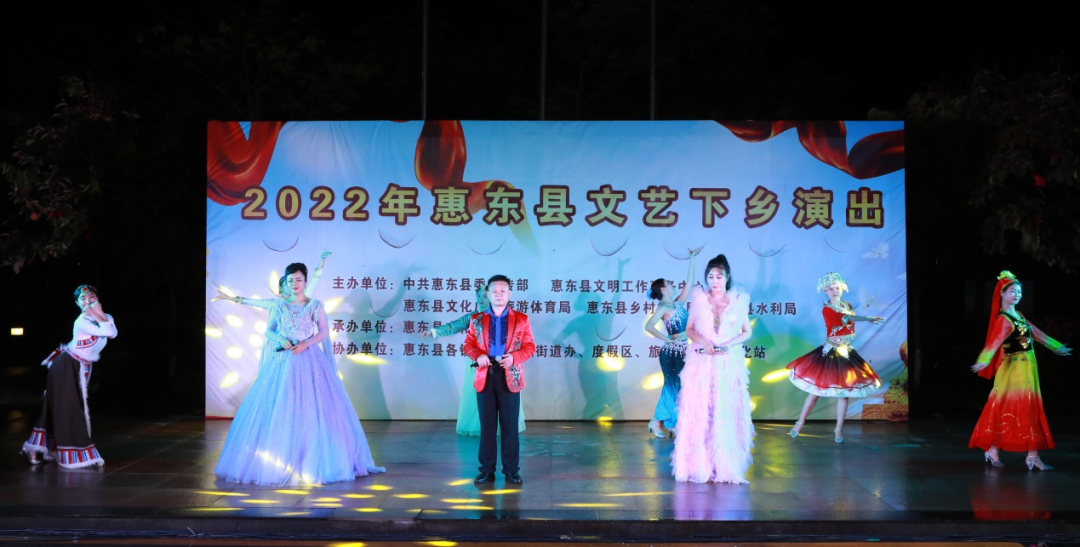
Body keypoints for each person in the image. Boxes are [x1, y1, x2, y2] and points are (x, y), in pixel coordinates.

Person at [214, 262, 384, 485]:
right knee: (282, 405)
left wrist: (306, 344)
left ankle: (313, 458)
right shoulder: (279, 305)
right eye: (291, 280)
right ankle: (280, 457)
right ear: (286, 281)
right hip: (283, 361)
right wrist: (280, 339)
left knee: (314, 407)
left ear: (305, 281)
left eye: (299, 280)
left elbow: (324, 331)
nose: (295, 284)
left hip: (310, 359)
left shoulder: (315, 305)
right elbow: (269, 330)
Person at [970, 271, 1072, 471]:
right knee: (1011, 409)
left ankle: (1031, 456)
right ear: (1002, 293)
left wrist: (1056, 346)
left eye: (1019, 291)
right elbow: (994, 342)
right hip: (1013, 369)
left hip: (1027, 368)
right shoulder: (1004, 319)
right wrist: (984, 360)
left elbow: (1036, 333)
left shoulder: (1019, 315)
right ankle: (994, 449)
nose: (1017, 294)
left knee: (1028, 409)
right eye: (1012, 291)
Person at [671, 254, 754, 484]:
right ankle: (698, 465)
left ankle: (724, 466)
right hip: (701, 361)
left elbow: (746, 331)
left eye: (719, 276)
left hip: (728, 363)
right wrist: (704, 342)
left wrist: (729, 343)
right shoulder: (699, 299)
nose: (714, 281)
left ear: (727, 277)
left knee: (724, 411)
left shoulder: (739, 300)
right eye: (710, 276)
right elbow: (690, 329)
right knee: (700, 411)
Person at [21, 285, 117, 468]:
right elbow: (107, 331)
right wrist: (96, 313)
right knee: (67, 409)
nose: (87, 300)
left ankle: (38, 447)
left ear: (97, 299)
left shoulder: (107, 318)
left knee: (64, 408)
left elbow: (113, 333)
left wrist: (98, 313)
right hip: (66, 366)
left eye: (91, 296)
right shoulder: (81, 321)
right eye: (83, 299)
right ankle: (63, 451)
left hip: (81, 367)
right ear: (77, 303)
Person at [786, 272, 885, 443]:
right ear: (825, 291)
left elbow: (849, 322)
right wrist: (867, 318)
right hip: (830, 353)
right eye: (830, 289)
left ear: (843, 289)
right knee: (815, 391)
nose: (834, 291)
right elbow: (845, 318)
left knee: (844, 393)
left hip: (846, 352)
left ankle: (838, 430)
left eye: (837, 288)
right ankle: (799, 423)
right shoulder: (827, 309)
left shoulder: (847, 305)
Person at [423, 284, 527, 436]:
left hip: (500, 362)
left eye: (484, 296)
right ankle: (482, 427)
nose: (481, 299)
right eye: (478, 296)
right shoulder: (473, 317)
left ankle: (503, 427)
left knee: (504, 393)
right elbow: (454, 326)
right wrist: (434, 331)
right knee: (479, 393)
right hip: (479, 361)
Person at [463, 275, 536, 485]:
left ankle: (512, 470)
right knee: (487, 427)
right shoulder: (477, 319)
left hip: (509, 374)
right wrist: (478, 355)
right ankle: (486, 470)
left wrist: (514, 357)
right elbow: (468, 344)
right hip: (485, 374)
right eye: (494, 291)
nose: (499, 295)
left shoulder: (521, 319)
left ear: (510, 294)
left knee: (510, 427)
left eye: (503, 291)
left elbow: (530, 347)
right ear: (487, 294)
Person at [643, 246, 702, 438]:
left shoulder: (677, 303)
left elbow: (690, 283)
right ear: (663, 289)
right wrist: (667, 339)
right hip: (671, 353)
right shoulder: (663, 307)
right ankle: (659, 422)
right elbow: (649, 326)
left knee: (678, 386)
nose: (672, 284)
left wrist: (692, 259)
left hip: (683, 350)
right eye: (668, 283)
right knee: (671, 385)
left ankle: (668, 423)